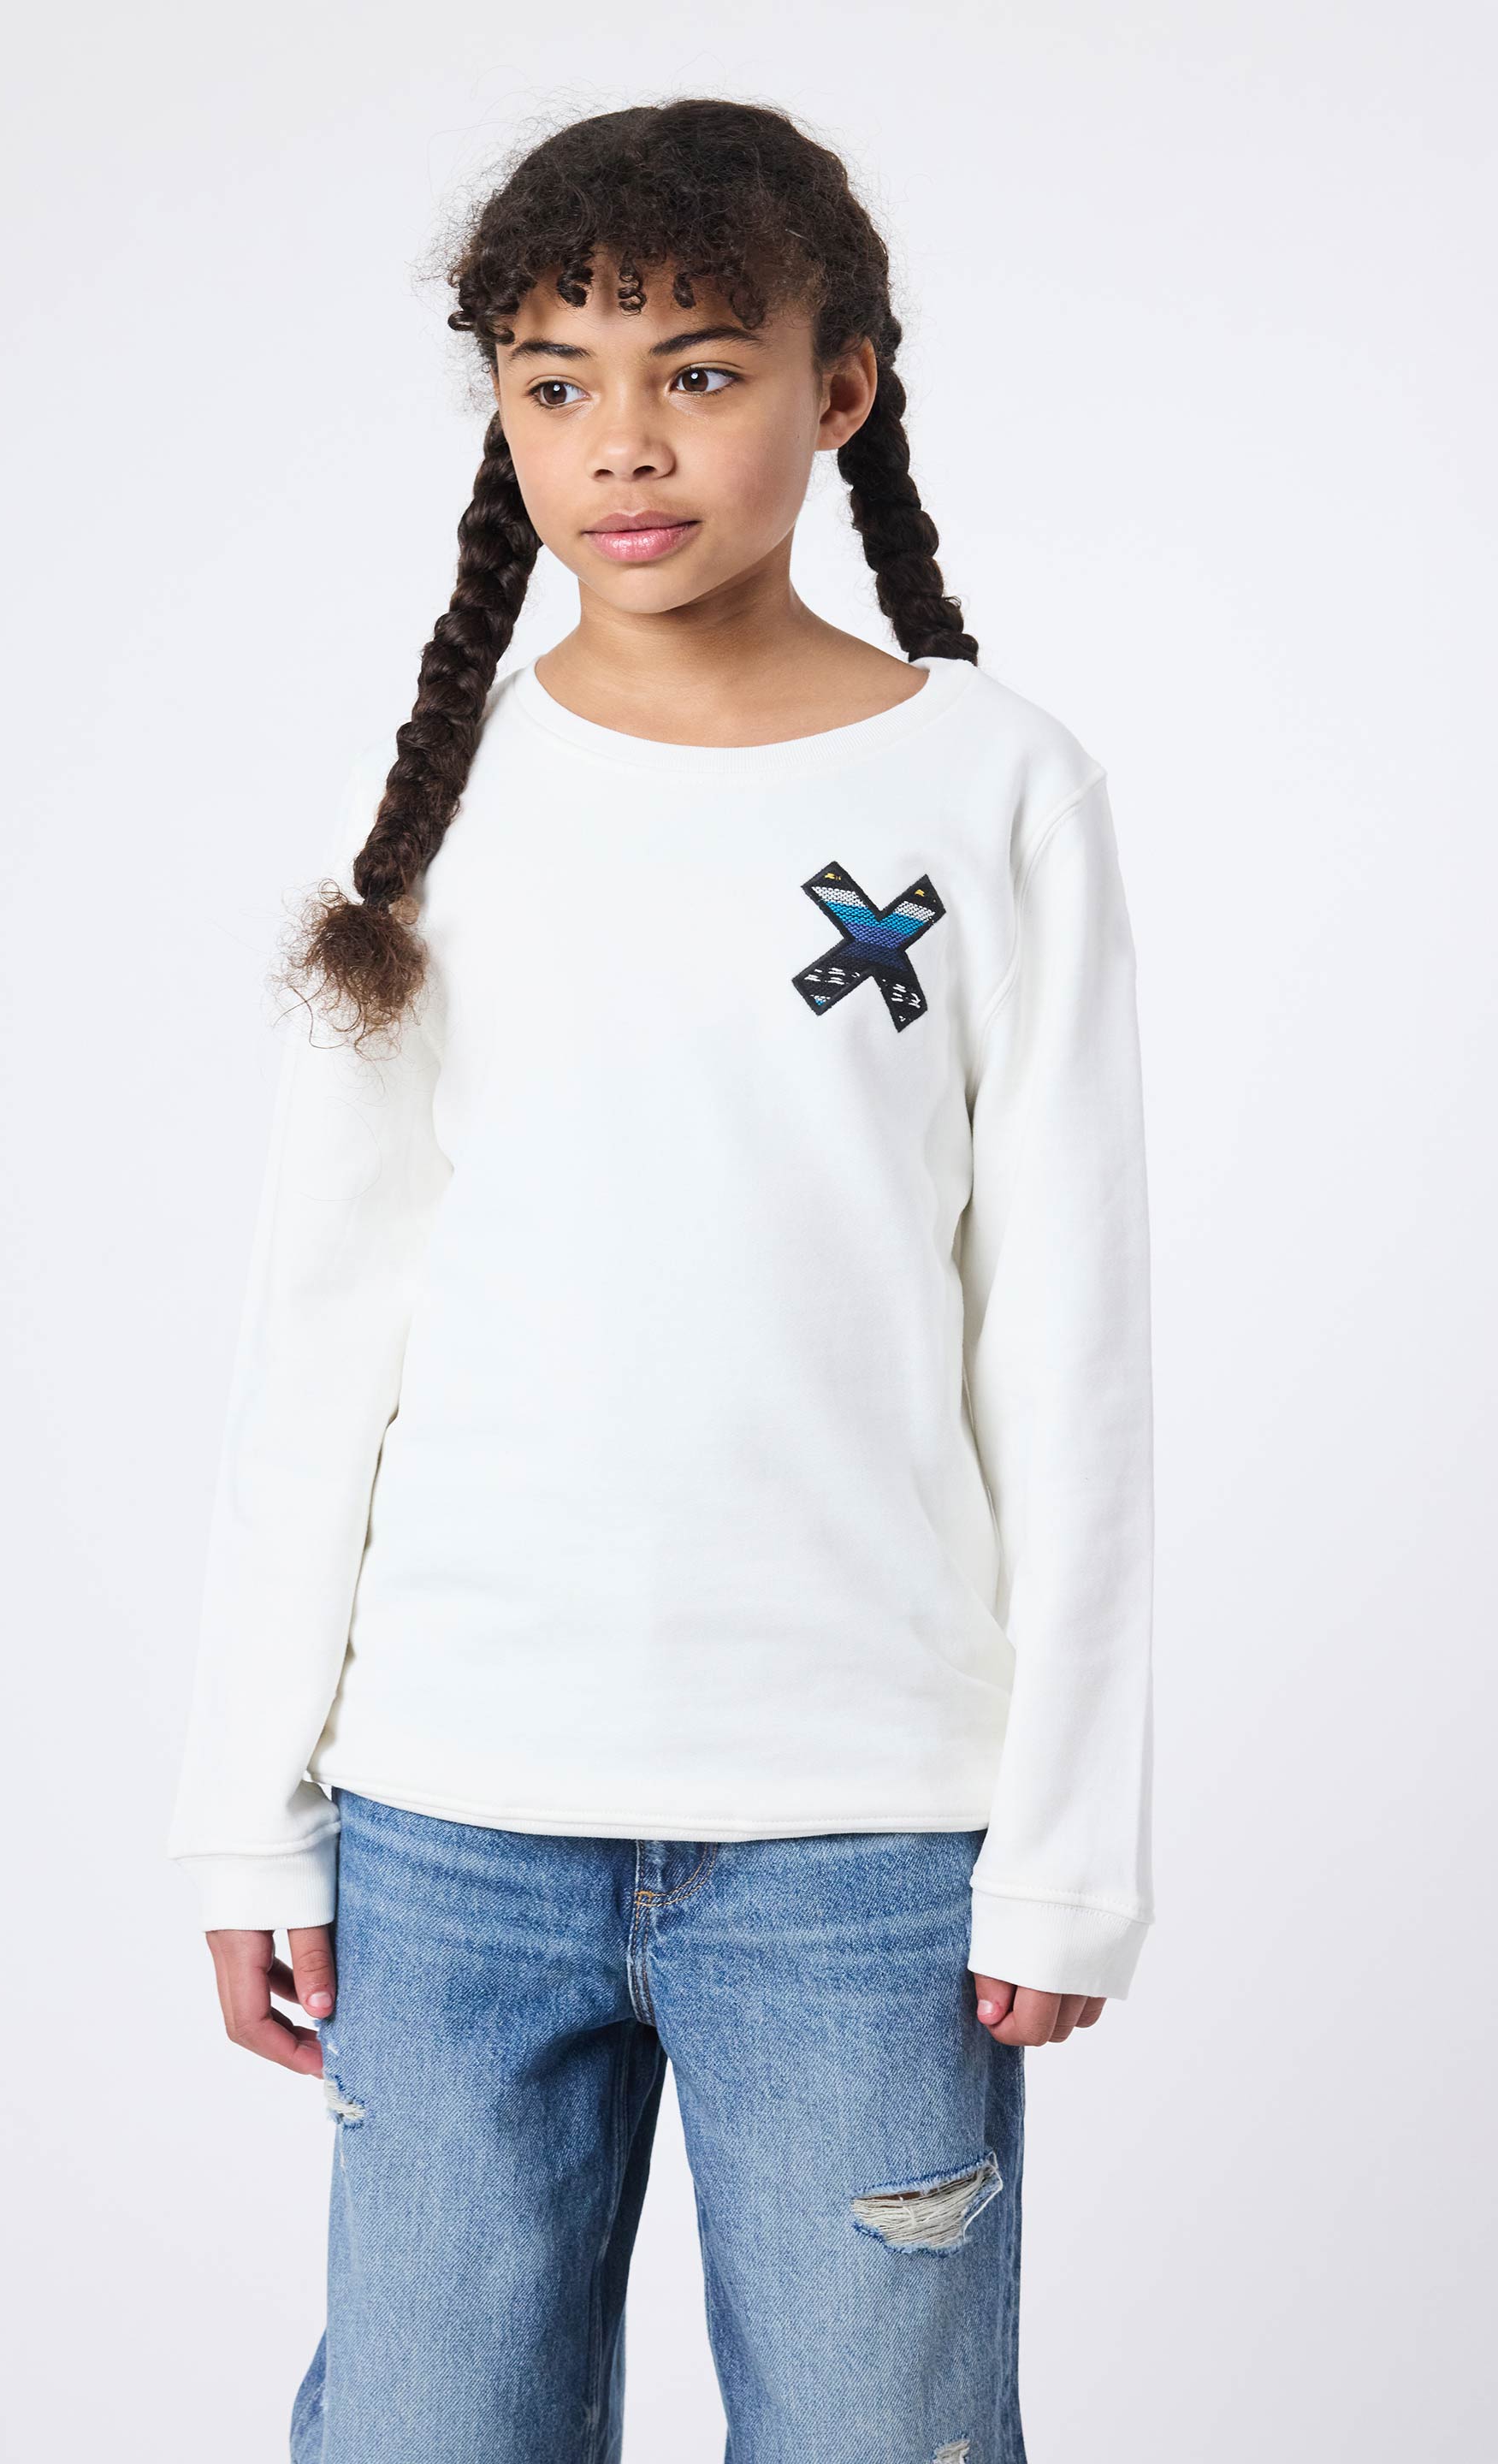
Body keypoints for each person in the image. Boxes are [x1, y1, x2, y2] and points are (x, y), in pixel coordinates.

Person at [167, 95, 1155, 2464]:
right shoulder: (442, 813)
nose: (623, 442)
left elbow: (1073, 1349)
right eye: (557, 379)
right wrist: (246, 1803)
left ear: (843, 388)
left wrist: (1069, 1853)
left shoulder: (997, 790)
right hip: (451, 1825)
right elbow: (324, 1331)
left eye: (700, 373)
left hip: (864, 1845)